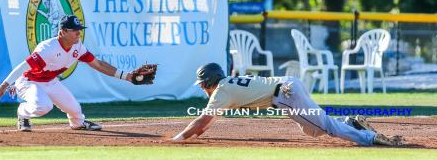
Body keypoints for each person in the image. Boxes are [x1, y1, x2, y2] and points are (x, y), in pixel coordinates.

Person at [170, 62, 404, 146]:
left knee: (326, 127)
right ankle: (351, 123)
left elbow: (202, 122)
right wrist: (199, 131)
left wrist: (180, 137)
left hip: (285, 94)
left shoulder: (221, 91)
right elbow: (206, 123)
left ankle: (370, 139)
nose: (202, 88)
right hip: (287, 87)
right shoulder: (228, 84)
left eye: (203, 84)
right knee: (312, 130)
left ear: (210, 81)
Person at [0, 15, 154, 132]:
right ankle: (22, 113)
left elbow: (98, 64)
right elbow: (23, 66)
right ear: (62, 32)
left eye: (79, 29)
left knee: (75, 110)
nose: (78, 33)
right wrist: (5, 85)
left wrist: (127, 76)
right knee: (43, 106)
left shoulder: (77, 46)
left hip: (50, 81)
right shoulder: (49, 48)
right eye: (74, 30)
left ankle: (78, 124)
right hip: (29, 81)